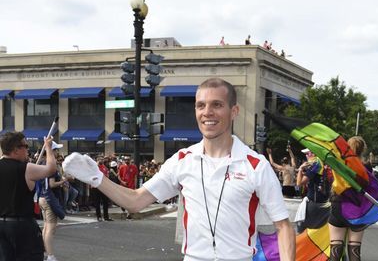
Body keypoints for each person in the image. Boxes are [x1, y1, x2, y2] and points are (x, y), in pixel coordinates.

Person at [63, 78, 295, 261]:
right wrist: (96, 178)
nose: (208, 112)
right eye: (201, 105)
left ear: (234, 111)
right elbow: (135, 201)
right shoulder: (183, 159)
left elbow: (283, 226)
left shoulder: (256, 165)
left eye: (217, 105)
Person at [0, 132, 56, 261]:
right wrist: (48, 147)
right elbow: (51, 169)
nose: (28, 150)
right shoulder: (26, 168)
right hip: (22, 226)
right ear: (16, 149)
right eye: (26, 146)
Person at [328, 136, 369, 261]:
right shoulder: (366, 168)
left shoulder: (338, 165)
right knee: (354, 251)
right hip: (357, 210)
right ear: (363, 150)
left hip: (338, 206)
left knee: (335, 250)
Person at [38, 141, 66, 261]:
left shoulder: (42, 164)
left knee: (46, 227)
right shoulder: (51, 167)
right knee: (50, 228)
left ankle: (46, 252)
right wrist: (63, 181)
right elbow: (52, 184)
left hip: (42, 197)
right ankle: (50, 255)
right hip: (50, 198)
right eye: (55, 150)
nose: (56, 152)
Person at [295, 149, 331, 233]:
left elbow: (299, 183)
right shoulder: (326, 164)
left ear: (313, 154)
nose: (306, 156)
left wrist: (300, 169)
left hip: (314, 204)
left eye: (307, 154)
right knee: (319, 233)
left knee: (303, 232)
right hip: (326, 204)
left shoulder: (316, 165)